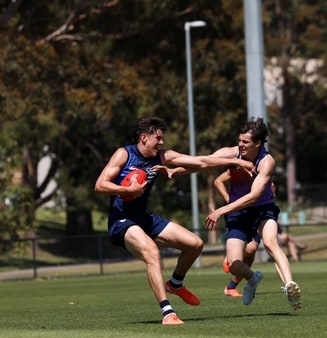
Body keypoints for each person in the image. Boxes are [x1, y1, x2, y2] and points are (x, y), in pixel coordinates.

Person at [94, 116, 254, 325]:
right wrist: (127, 189)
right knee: (152, 252)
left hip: (143, 218)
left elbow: (201, 161)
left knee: (195, 244)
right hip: (121, 220)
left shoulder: (162, 156)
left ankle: (176, 283)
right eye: (158, 138)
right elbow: (100, 185)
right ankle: (167, 313)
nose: (162, 142)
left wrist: (235, 161)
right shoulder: (124, 154)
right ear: (144, 138)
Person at [205, 118, 301, 309]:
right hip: (238, 214)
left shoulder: (266, 162)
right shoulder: (233, 154)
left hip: (261, 208)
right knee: (233, 264)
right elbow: (202, 162)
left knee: (271, 242)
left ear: (258, 143)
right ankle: (253, 278)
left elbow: (253, 196)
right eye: (239, 140)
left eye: (245, 142)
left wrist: (221, 210)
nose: (240, 145)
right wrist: (173, 169)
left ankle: (290, 285)